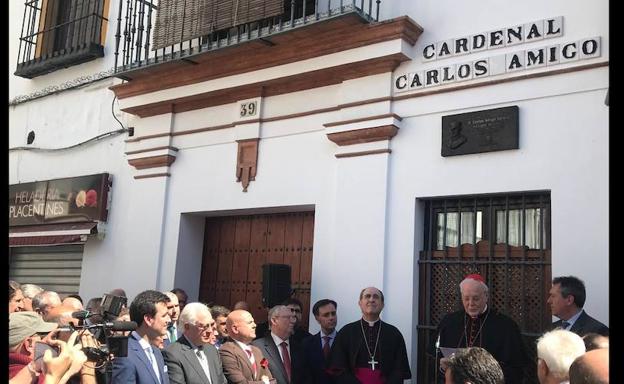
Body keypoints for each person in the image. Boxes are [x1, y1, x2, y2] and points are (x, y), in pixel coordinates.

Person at [436, 274, 529, 384]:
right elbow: (437, 358)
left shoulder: (506, 326)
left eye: (475, 298)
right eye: (466, 298)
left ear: (486, 296)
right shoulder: (449, 322)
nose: (471, 304)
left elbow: (516, 368)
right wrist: (443, 368)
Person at [328, 287, 411, 384]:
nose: (371, 299)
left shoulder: (394, 333)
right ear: (360, 303)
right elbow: (338, 368)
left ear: (382, 304)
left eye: (376, 297)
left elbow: (399, 369)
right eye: (367, 296)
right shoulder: (346, 332)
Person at [112, 290, 172, 384]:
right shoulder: (125, 355)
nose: (169, 320)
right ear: (148, 319)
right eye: (164, 316)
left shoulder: (156, 351)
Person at [162, 302, 227, 384]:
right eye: (203, 326)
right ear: (187, 327)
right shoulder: (173, 354)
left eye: (211, 325)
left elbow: (222, 381)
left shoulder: (212, 350)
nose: (210, 331)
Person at [219, 309, 275, 384]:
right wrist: (265, 382)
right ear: (235, 329)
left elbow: (272, 381)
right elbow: (240, 383)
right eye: (250, 322)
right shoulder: (226, 351)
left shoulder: (257, 351)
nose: (255, 325)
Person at [252, 305, 304, 384]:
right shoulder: (257, 347)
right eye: (288, 317)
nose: (293, 321)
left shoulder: (299, 347)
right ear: (274, 320)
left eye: (294, 317)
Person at [302, 299, 338, 384]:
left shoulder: (345, 342)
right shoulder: (307, 344)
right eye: (326, 315)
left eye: (333, 313)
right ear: (317, 319)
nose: (331, 318)